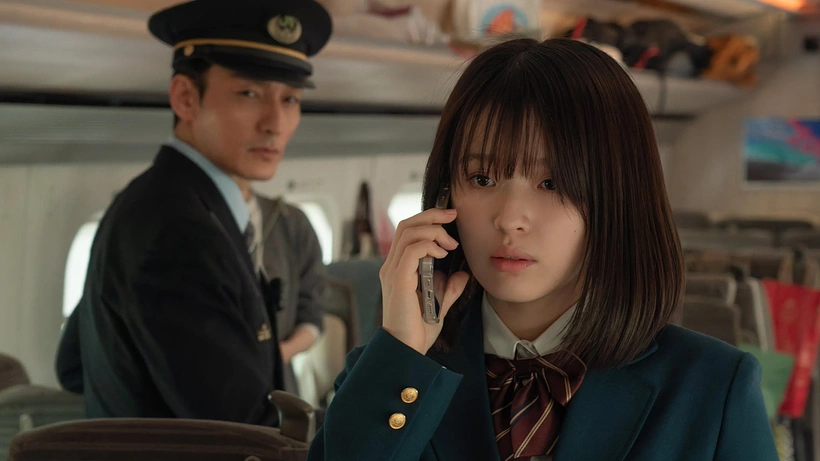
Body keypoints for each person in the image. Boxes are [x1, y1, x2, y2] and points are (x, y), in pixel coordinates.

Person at [306, 38, 779, 460]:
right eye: (482, 178)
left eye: (552, 183)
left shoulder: (712, 388)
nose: (510, 218)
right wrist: (402, 352)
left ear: (619, 199)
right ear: (446, 195)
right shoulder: (390, 373)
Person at [54, 0, 332, 426]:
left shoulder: (158, 201)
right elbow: (244, 434)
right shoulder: (179, 232)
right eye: (249, 93)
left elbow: (74, 366)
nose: (275, 123)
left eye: (290, 98)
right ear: (185, 98)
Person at [244, 189, 327, 395]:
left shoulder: (291, 221)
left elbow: (312, 314)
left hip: (278, 376)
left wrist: (278, 355)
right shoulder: (194, 219)